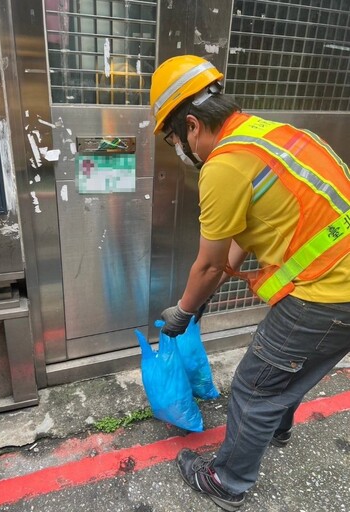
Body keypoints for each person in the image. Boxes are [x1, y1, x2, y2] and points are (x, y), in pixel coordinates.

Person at [150, 54, 350, 511]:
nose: (180, 149)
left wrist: (183, 310)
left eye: (174, 139)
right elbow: (235, 244)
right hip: (344, 288)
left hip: (324, 294)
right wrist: (208, 291)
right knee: (308, 362)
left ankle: (228, 480)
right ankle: (276, 428)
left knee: (254, 386)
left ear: (193, 126)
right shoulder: (279, 134)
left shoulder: (223, 165)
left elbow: (206, 264)